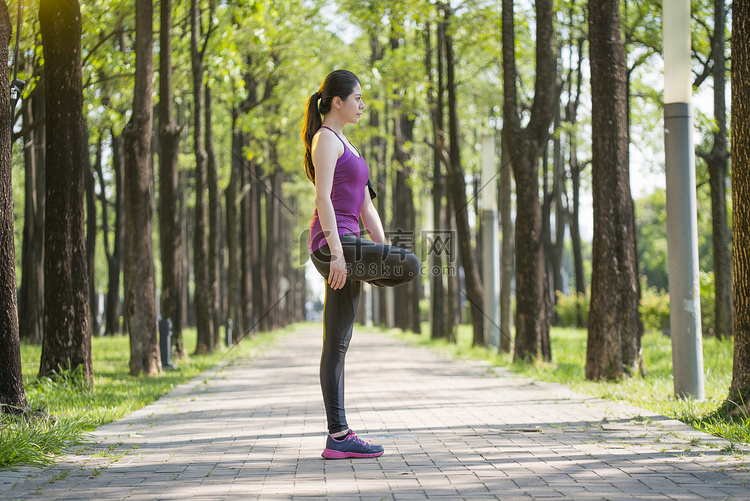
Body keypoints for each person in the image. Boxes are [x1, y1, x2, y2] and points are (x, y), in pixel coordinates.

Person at [303, 69, 420, 459]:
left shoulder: (347, 144)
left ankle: (338, 438)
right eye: (357, 98)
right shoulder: (325, 139)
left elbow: (367, 206)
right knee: (413, 264)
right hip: (334, 246)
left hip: (351, 248)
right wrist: (337, 253)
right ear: (337, 101)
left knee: (337, 343)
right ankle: (338, 435)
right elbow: (323, 200)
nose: (362, 105)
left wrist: (383, 253)